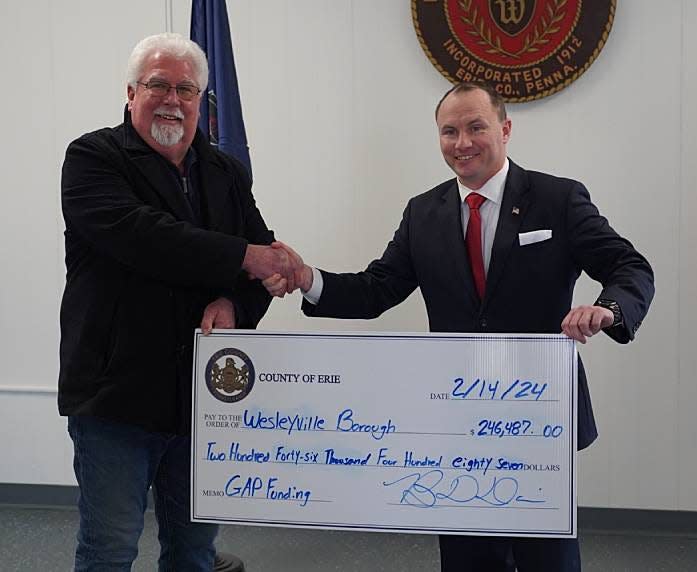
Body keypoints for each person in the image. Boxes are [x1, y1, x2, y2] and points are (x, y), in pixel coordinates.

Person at [261, 82, 654, 571]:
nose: (462, 142)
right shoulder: (423, 211)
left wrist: (608, 309)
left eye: (475, 127)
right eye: (449, 131)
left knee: (546, 558)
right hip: (454, 417)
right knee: (469, 558)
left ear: (505, 130)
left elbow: (631, 268)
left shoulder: (558, 199)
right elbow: (376, 289)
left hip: (538, 415)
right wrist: (307, 279)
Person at [59, 33, 295, 571]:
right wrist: (244, 258)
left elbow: (260, 262)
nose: (171, 98)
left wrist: (235, 303)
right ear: (130, 93)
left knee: (194, 552)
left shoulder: (226, 172)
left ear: (201, 101)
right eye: (157, 85)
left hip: (202, 398)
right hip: (116, 398)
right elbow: (147, 236)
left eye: (185, 88)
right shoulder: (93, 158)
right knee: (109, 550)